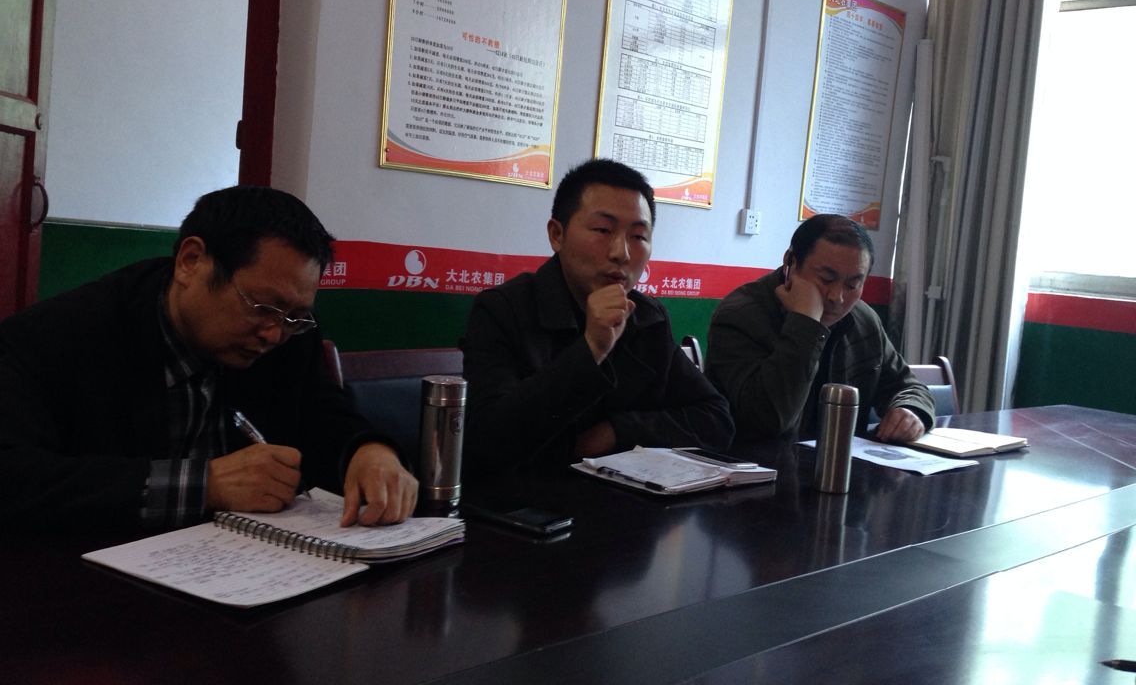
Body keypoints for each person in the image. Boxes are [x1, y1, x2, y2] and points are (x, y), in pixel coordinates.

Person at [0, 186, 417, 532]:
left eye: (293, 317)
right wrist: (205, 485)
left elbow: (321, 412)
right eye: (261, 307)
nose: (273, 334)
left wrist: (368, 450)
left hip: (243, 572)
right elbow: (15, 476)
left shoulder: (287, 327)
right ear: (191, 262)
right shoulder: (60, 336)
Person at [461, 158, 734, 477]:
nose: (621, 253)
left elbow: (716, 419)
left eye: (638, 236)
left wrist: (616, 431)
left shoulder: (647, 317)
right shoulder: (502, 310)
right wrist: (591, 348)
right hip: (527, 500)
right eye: (603, 230)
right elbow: (488, 442)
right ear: (557, 234)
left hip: (626, 500)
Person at [706, 213, 935, 442]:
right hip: (754, 460)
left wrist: (911, 410)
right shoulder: (740, 316)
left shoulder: (864, 320)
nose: (837, 297)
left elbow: (907, 386)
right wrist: (805, 322)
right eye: (826, 279)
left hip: (841, 459)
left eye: (852, 285)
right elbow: (770, 420)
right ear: (790, 263)